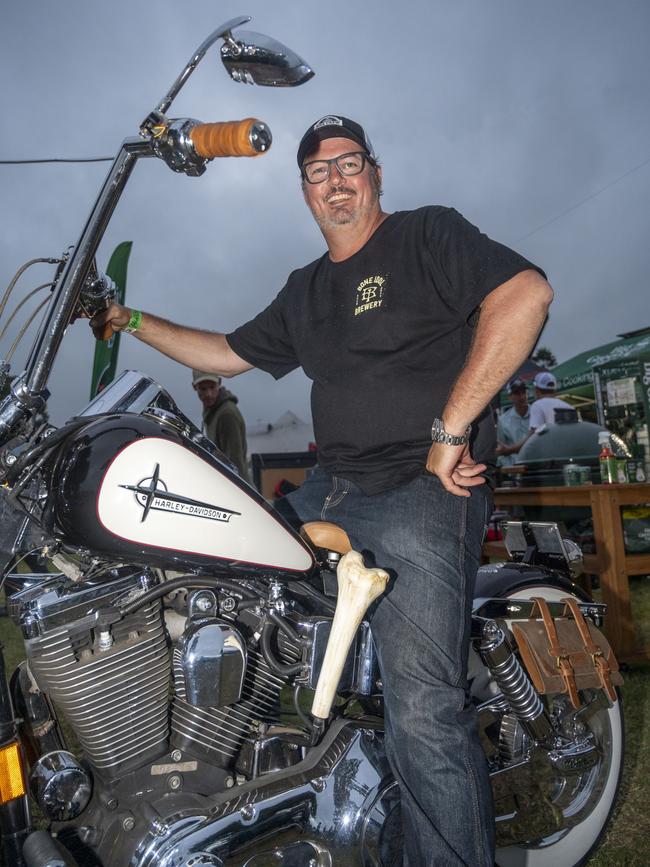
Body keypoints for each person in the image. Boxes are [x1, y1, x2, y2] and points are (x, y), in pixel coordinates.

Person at [91, 114, 553, 866]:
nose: (335, 181)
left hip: (420, 487)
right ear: (304, 192)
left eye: (349, 164)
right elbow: (224, 353)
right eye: (318, 171)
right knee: (215, 586)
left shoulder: (425, 236)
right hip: (329, 491)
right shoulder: (305, 291)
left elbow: (525, 294)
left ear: (374, 173)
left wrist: (450, 429)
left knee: (423, 706)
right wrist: (128, 318)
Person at [192, 369, 250, 480]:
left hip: (237, 488)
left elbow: (234, 464)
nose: (208, 394)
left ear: (219, 383)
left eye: (212, 387)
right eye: (203, 389)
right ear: (195, 387)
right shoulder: (211, 410)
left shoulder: (226, 415)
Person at [496, 377, 530, 466]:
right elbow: (501, 448)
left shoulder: (537, 413)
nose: (522, 396)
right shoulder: (503, 420)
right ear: (509, 397)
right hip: (515, 466)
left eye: (524, 392)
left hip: (536, 462)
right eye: (517, 393)